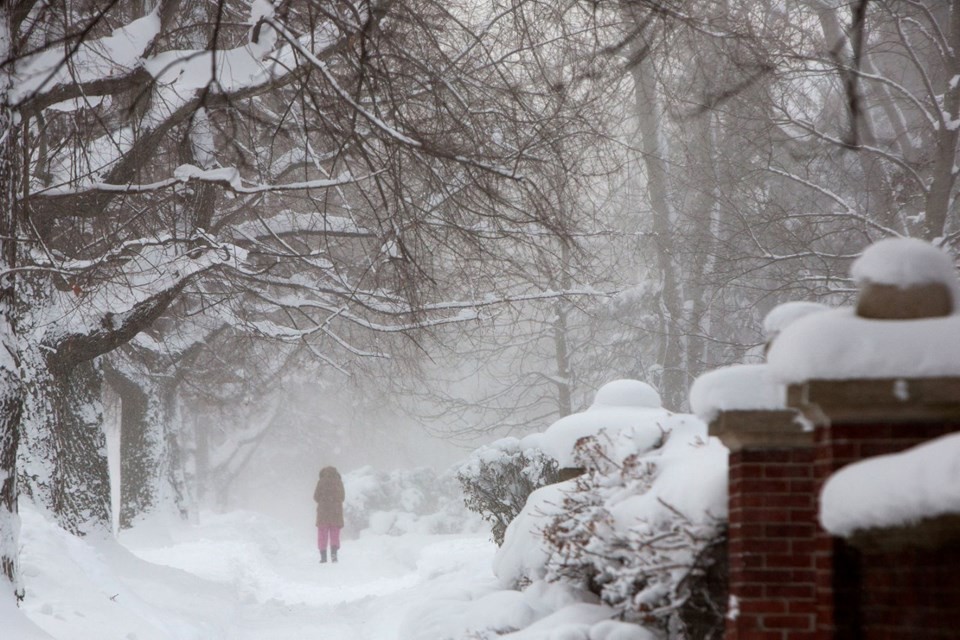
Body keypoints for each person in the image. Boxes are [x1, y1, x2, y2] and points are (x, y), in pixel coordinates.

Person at [313, 466, 345, 563]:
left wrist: (324, 501)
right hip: (336, 512)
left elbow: (315, 497)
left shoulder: (321, 481)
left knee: (322, 534)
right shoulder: (339, 482)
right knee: (335, 534)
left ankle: (323, 557)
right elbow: (342, 497)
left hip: (323, 513)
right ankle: (334, 555)